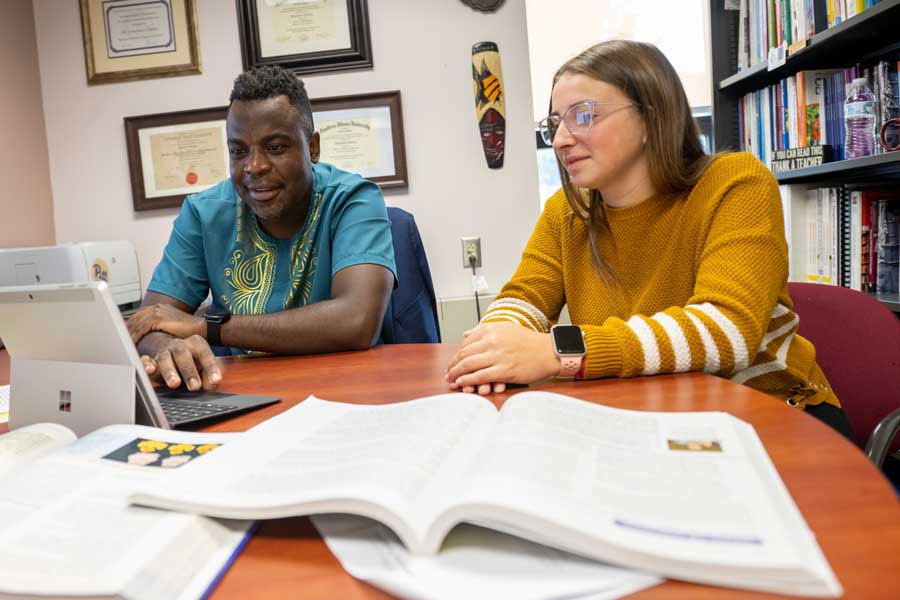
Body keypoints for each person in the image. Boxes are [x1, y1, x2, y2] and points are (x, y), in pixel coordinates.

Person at [445, 40, 854, 439]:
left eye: (583, 115)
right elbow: (523, 299)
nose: (560, 140)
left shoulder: (735, 184)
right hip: (651, 419)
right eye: (554, 123)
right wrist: (495, 352)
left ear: (650, 118)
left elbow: (725, 331)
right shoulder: (565, 212)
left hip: (773, 419)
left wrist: (557, 352)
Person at [128, 65, 397, 392]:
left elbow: (357, 321)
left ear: (312, 147)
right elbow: (151, 321)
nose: (253, 166)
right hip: (247, 395)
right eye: (238, 151)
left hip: (348, 390)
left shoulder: (353, 199)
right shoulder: (204, 213)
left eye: (276, 147)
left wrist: (209, 327)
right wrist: (165, 348)